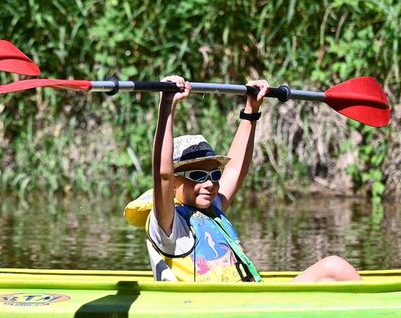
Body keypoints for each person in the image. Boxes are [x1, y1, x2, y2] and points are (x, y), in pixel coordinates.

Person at [145, 75, 361, 283]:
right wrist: (166, 106)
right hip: (209, 310)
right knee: (333, 267)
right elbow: (162, 174)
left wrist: (251, 110)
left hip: (243, 302)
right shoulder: (169, 225)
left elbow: (236, 167)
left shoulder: (213, 208)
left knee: (334, 268)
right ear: (174, 184)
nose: (209, 183)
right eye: (198, 175)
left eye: (214, 175)